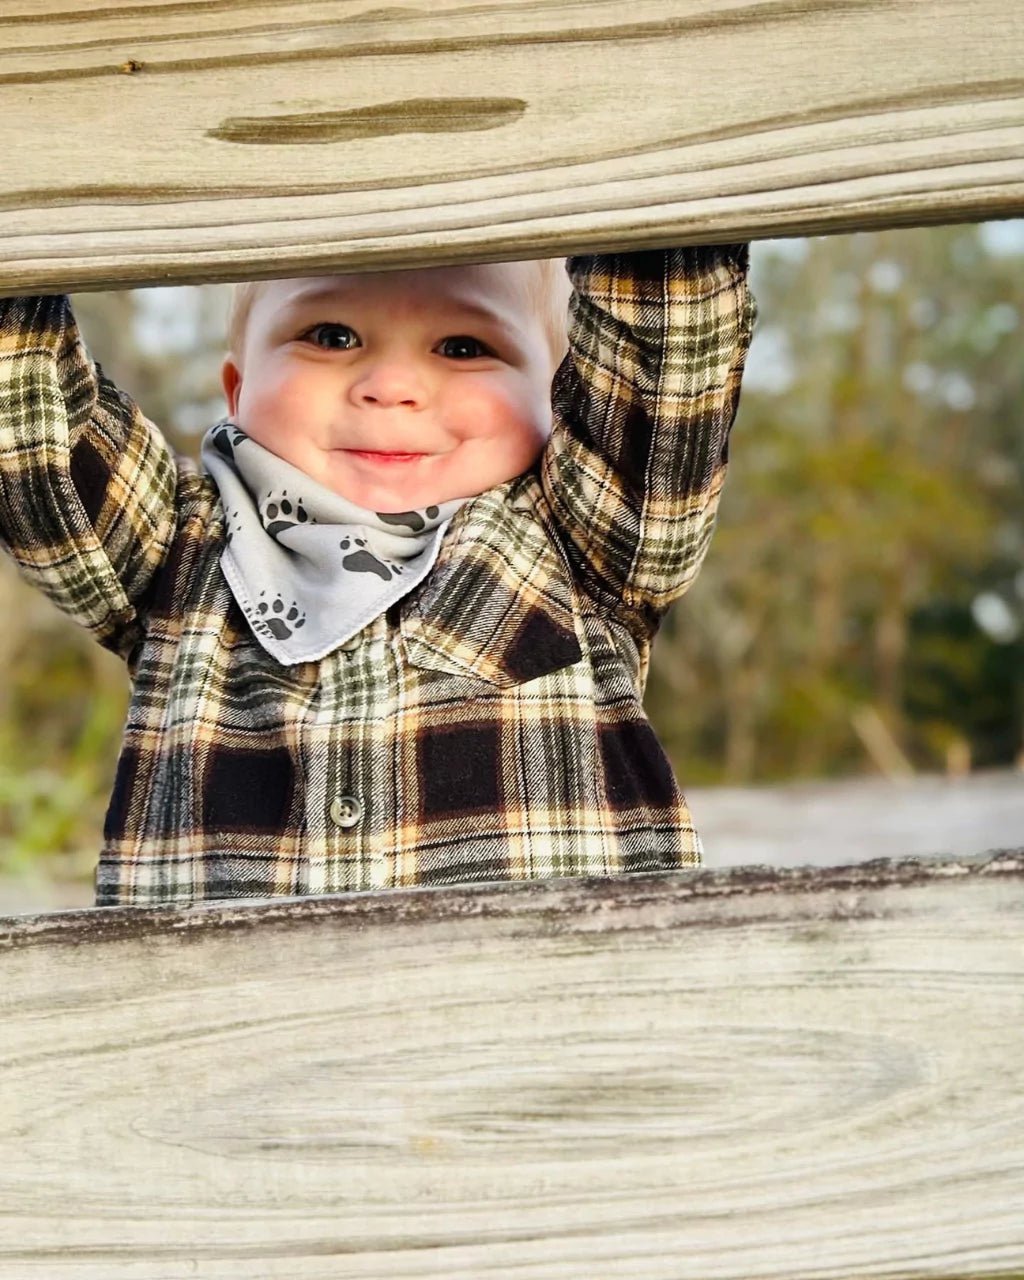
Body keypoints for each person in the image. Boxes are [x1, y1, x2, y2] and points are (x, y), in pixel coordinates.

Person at [0, 245, 756, 906]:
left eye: (463, 346)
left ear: (558, 397)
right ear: (237, 390)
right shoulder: (180, 544)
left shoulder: (585, 537)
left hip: (542, 1040)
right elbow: (29, 426)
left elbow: (669, 329)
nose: (391, 384)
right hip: (234, 1045)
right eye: (331, 336)